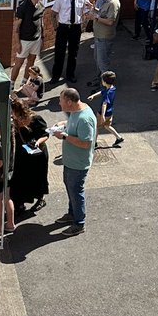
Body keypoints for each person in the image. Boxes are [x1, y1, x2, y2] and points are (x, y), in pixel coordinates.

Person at [52, 88, 96, 236]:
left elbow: (85, 143)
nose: (59, 103)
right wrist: (64, 123)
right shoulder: (77, 110)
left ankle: (79, 223)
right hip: (70, 161)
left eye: (61, 100)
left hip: (78, 164)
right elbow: (73, 121)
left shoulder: (85, 119)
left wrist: (64, 136)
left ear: (69, 102)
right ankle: (72, 214)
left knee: (76, 192)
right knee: (71, 189)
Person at [51, 0, 94, 85]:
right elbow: (53, 14)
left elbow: (87, 13)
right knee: (59, 53)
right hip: (63, 27)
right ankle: (56, 76)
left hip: (75, 28)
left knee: (73, 53)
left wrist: (83, 26)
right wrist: (56, 27)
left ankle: (70, 75)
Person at [10, 98, 49, 215]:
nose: (12, 115)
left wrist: (37, 142)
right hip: (22, 154)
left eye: (14, 112)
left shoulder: (35, 119)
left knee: (38, 177)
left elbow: (45, 134)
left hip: (37, 153)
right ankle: (19, 203)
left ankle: (40, 199)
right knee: (19, 178)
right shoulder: (14, 122)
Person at [12, 0, 47, 86]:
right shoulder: (23, 7)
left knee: (31, 62)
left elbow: (41, 22)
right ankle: (11, 85)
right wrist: (17, 43)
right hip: (24, 40)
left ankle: (23, 84)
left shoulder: (41, 5)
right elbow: (16, 27)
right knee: (19, 63)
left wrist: (42, 37)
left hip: (36, 39)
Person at [90, 0, 120, 81]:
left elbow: (110, 21)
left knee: (103, 62)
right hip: (99, 35)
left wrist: (95, 17)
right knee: (98, 59)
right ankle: (99, 79)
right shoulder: (106, 0)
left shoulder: (113, 3)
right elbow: (103, 13)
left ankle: (105, 84)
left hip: (105, 37)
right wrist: (94, 9)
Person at [90, 71, 123, 148]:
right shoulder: (112, 88)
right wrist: (93, 96)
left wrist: (102, 116)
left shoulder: (107, 93)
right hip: (110, 112)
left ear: (104, 82)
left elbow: (104, 104)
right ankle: (119, 138)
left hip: (103, 113)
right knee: (107, 125)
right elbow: (102, 92)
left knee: (96, 127)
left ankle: (94, 143)